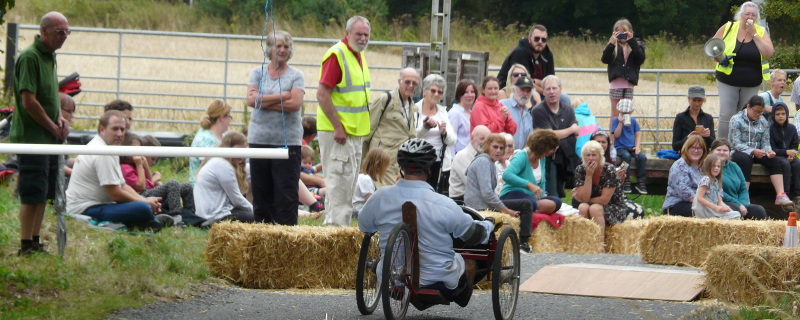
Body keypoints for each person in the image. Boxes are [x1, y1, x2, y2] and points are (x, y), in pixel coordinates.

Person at [358, 138, 494, 307]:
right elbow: (472, 234)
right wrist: (488, 225)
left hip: (391, 279)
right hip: (438, 280)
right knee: (467, 262)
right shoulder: (443, 204)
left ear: (401, 168)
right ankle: (462, 295)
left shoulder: (380, 197)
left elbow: (364, 226)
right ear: (429, 169)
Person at [11, 12, 71, 255]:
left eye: (67, 32)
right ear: (44, 30)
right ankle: (25, 244)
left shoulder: (50, 56)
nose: (64, 37)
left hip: (48, 137)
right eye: (59, 32)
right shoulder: (30, 57)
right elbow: (29, 102)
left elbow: (48, 97)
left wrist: (59, 119)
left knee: (44, 192)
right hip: (32, 138)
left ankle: (35, 241)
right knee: (31, 192)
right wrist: (53, 127)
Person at [66, 110, 165, 230]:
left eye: (122, 129)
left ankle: (150, 221)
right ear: (102, 129)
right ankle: (151, 221)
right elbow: (115, 194)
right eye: (115, 129)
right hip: (86, 208)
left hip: (98, 204)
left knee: (143, 206)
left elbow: (122, 185)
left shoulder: (108, 147)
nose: (119, 134)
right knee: (143, 209)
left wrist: (144, 200)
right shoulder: (103, 152)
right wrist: (145, 203)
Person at [316, 16, 372, 227]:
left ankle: (334, 232)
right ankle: (337, 234)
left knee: (345, 186)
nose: (363, 38)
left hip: (352, 132)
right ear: (347, 33)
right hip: (339, 133)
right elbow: (322, 95)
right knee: (340, 186)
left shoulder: (357, 55)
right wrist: (338, 127)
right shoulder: (338, 55)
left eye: (366, 34)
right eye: (358, 34)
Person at [245, 30, 306, 226]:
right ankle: (263, 236)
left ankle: (286, 240)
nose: (282, 50)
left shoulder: (297, 75)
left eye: (286, 46)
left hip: (287, 144)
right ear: (269, 48)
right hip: (259, 141)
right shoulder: (258, 72)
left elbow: (295, 105)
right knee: (261, 194)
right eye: (278, 46)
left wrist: (263, 100)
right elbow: (251, 101)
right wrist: (283, 95)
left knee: (285, 195)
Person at [712, 1, 774, 139]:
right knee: (726, 115)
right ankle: (722, 147)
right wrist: (718, 56)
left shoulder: (761, 31)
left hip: (751, 83)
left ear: (757, 17)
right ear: (741, 15)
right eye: (747, 14)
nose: (750, 17)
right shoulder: (728, 27)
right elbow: (712, 46)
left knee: (746, 115)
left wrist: (754, 34)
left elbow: (769, 52)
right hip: (727, 79)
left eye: (753, 14)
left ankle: (741, 148)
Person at [465, 133, 534, 253]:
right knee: (526, 204)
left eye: (501, 148)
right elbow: (487, 194)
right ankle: (523, 243)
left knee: (526, 203)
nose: (498, 151)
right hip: (480, 207)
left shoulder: (489, 161)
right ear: (487, 146)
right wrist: (507, 210)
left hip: (486, 204)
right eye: (495, 147)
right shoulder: (483, 161)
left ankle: (523, 241)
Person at [729, 96, 793, 205]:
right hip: (741, 152)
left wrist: (768, 151)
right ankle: (745, 195)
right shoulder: (736, 119)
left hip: (759, 152)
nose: (757, 114)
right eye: (755, 111)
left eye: (760, 112)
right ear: (748, 107)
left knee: (776, 161)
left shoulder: (763, 121)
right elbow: (735, 143)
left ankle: (780, 194)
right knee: (745, 160)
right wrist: (752, 151)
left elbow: (765, 142)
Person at [365, 67, 419, 186]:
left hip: (399, 164)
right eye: (407, 82)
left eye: (414, 83)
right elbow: (367, 130)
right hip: (381, 161)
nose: (410, 85)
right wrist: (363, 163)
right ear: (399, 81)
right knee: (385, 197)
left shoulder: (412, 105)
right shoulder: (385, 99)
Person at [572, 141, 630, 252]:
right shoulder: (580, 169)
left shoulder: (609, 170)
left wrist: (584, 198)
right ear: (583, 157)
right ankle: (584, 243)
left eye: (594, 155)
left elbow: (604, 200)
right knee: (583, 207)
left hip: (613, 206)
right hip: (591, 204)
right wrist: (588, 176)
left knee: (595, 208)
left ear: (600, 156)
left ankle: (600, 245)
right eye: (588, 155)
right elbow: (583, 200)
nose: (591, 158)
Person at [531, 75, 580, 198]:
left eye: (554, 88)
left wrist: (563, 133)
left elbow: (577, 132)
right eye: (548, 89)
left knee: (560, 194)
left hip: (566, 158)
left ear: (560, 89)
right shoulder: (538, 110)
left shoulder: (568, 109)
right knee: (551, 195)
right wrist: (570, 129)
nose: (551, 92)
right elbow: (549, 135)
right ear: (543, 91)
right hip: (547, 160)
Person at [497, 24, 570, 106]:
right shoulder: (520, 53)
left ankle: (561, 119)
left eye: (543, 40)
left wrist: (535, 81)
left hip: (537, 91)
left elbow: (550, 81)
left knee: (564, 98)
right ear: (529, 39)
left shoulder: (548, 55)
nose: (540, 42)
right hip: (514, 91)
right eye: (536, 38)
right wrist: (543, 90)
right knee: (535, 96)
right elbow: (525, 82)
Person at [193, 132, 255, 226]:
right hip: (214, 214)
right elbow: (236, 199)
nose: (242, 155)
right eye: (239, 150)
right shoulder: (223, 165)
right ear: (229, 148)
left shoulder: (218, 160)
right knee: (256, 218)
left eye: (244, 150)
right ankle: (212, 223)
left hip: (209, 211)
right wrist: (256, 211)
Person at [500, 129, 563, 215]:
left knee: (557, 201)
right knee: (530, 203)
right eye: (550, 150)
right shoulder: (522, 156)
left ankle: (534, 208)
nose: (551, 153)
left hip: (531, 196)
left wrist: (542, 196)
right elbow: (506, 175)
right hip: (512, 193)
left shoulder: (542, 158)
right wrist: (528, 184)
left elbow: (542, 182)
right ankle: (533, 208)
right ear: (542, 148)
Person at [709, 139, 768, 220]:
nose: (722, 152)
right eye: (718, 150)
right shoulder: (710, 167)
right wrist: (738, 205)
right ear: (712, 151)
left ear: (729, 152)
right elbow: (719, 191)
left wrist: (743, 204)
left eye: (725, 150)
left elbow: (743, 188)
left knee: (758, 210)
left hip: (739, 203)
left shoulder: (734, 166)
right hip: (721, 202)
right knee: (736, 210)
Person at [416, 74, 455, 192]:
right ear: (424, 92)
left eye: (440, 92)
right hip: (418, 162)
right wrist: (425, 127)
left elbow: (453, 140)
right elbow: (410, 136)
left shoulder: (443, 112)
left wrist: (444, 133)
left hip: (439, 163)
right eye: (433, 90)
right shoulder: (414, 110)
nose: (436, 94)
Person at [601, 18, 645, 124]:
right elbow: (605, 59)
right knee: (615, 115)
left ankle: (625, 137)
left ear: (630, 32)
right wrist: (611, 43)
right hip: (616, 84)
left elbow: (641, 59)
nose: (622, 36)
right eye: (619, 33)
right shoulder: (613, 47)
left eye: (624, 33)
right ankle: (613, 139)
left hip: (629, 84)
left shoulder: (636, 46)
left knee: (627, 115)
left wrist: (631, 40)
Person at [189, 100, 232, 185]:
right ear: (222, 117)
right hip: (203, 188)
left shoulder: (223, 136)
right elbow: (206, 170)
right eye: (230, 117)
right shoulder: (205, 139)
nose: (230, 121)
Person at [663, 136, 708, 217]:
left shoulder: (704, 167)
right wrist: (706, 204)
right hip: (677, 204)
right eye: (693, 148)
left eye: (699, 148)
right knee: (702, 211)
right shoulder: (680, 165)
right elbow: (683, 190)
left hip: (700, 202)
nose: (696, 151)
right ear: (686, 149)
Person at [611, 99, 647, 194]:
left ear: (631, 112)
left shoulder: (633, 121)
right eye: (623, 112)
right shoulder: (615, 120)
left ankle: (641, 181)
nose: (625, 114)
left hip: (631, 147)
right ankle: (626, 181)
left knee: (642, 157)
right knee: (626, 157)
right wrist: (620, 123)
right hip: (620, 147)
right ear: (619, 111)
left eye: (627, 112)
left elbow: (638, 133)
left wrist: (637, 146)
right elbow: (616, 135)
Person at [449, 125, 490, 203]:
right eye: (481, 138)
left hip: (479, 199)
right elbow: (473, 185)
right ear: (472, 138)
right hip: (461, 201)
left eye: (488, 140)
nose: (485, 142)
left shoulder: (486, 156)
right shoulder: (462, 156)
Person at [693, 154, 741, 219]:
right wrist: (715, 207)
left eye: (718, 166)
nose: (716, 168)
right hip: (706, 209)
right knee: (734, 216)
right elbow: (699, 198)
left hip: (713, 208)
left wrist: (724, 207)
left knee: (736, 214)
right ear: (708, 166)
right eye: (714, 166)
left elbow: (719, 201)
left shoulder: (716, 181)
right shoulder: (706, 179)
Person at [770, 102, 800, 201]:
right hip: (777, 155)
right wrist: (786, 152)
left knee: (797, 163)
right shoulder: (771, 129)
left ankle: (797, 194)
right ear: (773, 115)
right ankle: (785, 193)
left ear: (786, 114)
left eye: (783, 114)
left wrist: (793, 153)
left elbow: (795, 145)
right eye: (777, 114)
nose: (781, 116)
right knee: (785, 164)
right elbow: (772, 148)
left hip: (790, 155)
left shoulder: (792, 128)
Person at [672, 85, 715, 151]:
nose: (697, 104)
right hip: (687, 154)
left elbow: (713, 145)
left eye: (699, 100)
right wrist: (688, 138)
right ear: (689, 99)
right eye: (694, 100)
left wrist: (708, 136)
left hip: (704, 155)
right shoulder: (680, 117)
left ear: (703, 100)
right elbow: (675, 146)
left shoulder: (708, 118)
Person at [352, 148, 390, 219]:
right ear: (377, 165)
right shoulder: (366, 179)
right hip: (358, 212)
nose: (386, 169)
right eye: (385, 166)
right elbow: (371, 202)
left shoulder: (364, 177)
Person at [501, 76, 535, 150]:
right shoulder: (502, 105)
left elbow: (529, 141)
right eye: (522, 90)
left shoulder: (529, 116)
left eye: (528, 91)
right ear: (513, 89)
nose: (525, 93)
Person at [449, 80, 478, 157]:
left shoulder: (472, 113)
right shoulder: (454, 113)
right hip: (458, 156)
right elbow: (450, 139)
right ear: (459, 94)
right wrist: (452, 159)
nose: (470, 95)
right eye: (466, 92)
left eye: (472, 92)